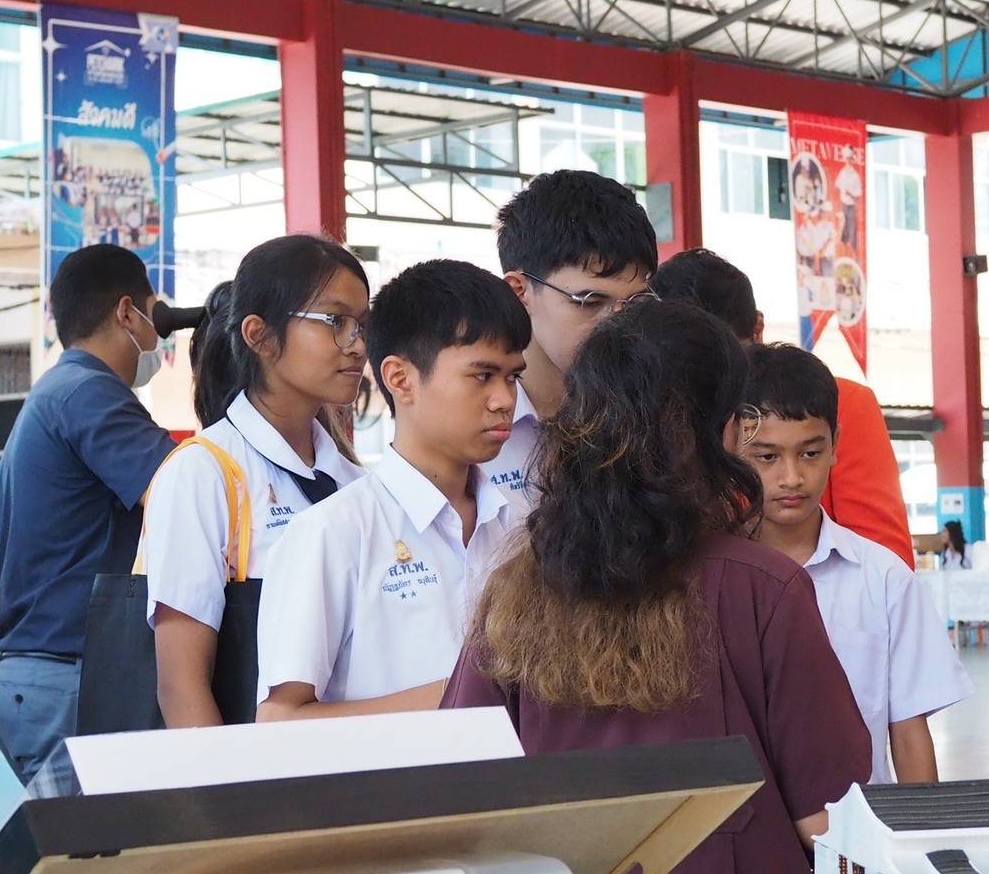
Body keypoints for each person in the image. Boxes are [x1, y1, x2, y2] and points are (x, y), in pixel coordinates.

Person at [442, 301, 870, 874]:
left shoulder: (516, 591)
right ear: (718, 432)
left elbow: (462, 790)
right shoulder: (763, 588)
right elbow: (830, 817)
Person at [257, 260, 529, 720]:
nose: (505, 400)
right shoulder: (331, 534)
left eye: (512, 376)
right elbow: (279, 720)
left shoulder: (524, 528)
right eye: (483, 375)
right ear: (400, 379)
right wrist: (462, 695)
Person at [141, 236, 368, 727]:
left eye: (361, 324)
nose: (357, 345)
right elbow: (181, 687)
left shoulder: (355, 482)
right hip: (252, 763)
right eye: (335, 321)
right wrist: (228, 779)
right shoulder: (203, 473)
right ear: (260, 336)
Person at [740, 342, 970, 784]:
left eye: (810, 453)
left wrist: (922, 825)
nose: (792, 477)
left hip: (861, 821)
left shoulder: (884, 579)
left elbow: (909, 732)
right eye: (767, 457)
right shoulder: (711, 577)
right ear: (733, 447)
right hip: (752, 825)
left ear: (836, 445)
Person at [0, 244, 177, 780]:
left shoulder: (57, 391)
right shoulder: (90, 393)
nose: (158, 337)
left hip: (38, 678)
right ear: (127, 313)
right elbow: (187, 493)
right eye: (155, 316)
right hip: (67, 679)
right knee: (106, 835)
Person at [652, 247, 915, 565]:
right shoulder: (649, 422)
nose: (716, 387)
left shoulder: (842, 403)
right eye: (692, 369)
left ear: (758, 329)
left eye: (727, 365)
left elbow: (885, 564)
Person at [492, 169, 660, 510]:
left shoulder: (654, 416)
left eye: (634, 303)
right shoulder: (473, 423)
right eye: (590, 302)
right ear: (519, 291)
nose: (617, 325)